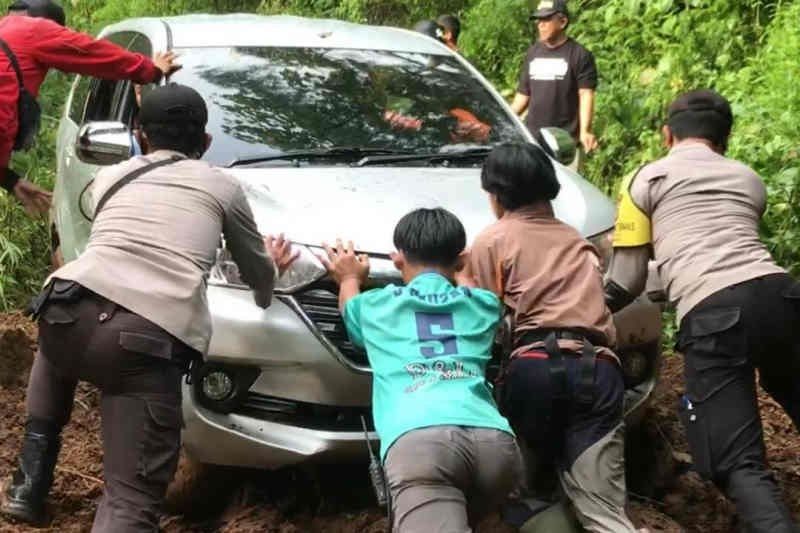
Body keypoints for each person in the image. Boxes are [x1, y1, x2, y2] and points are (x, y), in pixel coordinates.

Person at [1, 84, 297, 530]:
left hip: (65, 306)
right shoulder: (222, 185)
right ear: (207, 141)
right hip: (143, 341)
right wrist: (268, 277)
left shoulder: (109, 177)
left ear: (139, 134)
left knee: (62, 337)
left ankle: (28, 485)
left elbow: (134, 243)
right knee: (132, 497)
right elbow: (258, 278)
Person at [605, 89, 799, 533]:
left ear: (666, 134)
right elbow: (719, 245)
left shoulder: (647, 179)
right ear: (724, 140)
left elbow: (628, 279)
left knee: (736, 462)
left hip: (714, 314)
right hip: (782, 297)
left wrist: (590, 306)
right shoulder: (748, 178)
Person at [469, 143, 642, 533]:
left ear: (496, 196)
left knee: (517, 492)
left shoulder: (492, 240)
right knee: (603, 511)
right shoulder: (578, 242)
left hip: (533, 370)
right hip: (598, 370)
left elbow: (480, 319)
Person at [319, 208, 521, 533]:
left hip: (421, 444)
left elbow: (350, 311)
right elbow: (470, 289)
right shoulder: (483, 305)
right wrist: (461, 268)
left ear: (397, 259)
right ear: (460, 259)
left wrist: (349, 279)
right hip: (495, 445)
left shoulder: (376, 306)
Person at [0, 0, 179, 215]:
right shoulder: (34, 29)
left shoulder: (6, 31)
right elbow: (92, 53)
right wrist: (151, 70)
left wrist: (9, 179)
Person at [510, 0, 598, 170]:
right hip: (533, 139)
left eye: (546, 20)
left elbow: (586, 94)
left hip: (565, 142)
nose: (540, 25)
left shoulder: (580, 55)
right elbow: (523, 94)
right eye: (538, 20)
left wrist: (585, 131)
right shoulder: (533, 52)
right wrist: (505, 118)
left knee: (565, 192)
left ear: (562, 22)